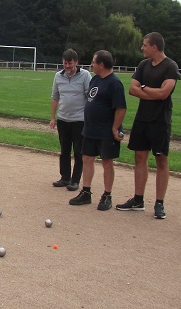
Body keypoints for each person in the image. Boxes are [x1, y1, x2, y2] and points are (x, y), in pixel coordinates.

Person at [116, 32, 180, 218]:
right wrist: (150, 91)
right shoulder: (144, 65)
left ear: (154, 47)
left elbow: (163, 94)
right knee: (139, 158)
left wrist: (144, 89)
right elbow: (132, 89)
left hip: (160, 120)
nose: (142, 48)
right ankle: (138, 199)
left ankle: (159, 203)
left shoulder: (170, 67)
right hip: (142, 118)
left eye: (145, 45)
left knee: (161, 160)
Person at [68, 50, 126, 211]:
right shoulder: (95, 79)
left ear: (101, 64)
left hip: (106, 130)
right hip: (91, 128)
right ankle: (86, 192)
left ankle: (107, 195)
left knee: (107, 162)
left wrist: (115, 128)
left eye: (94, 62)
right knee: (87, 158)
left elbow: (121, 108)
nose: (91, 64)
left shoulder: (114, 83)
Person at [49, 49, 91, 190]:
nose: (67, 66)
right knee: (64, 150)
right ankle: (65, 177)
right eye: (65, 63)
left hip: (79, 120)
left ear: (76, 62)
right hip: (63, 119)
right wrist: (52, 118)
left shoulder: (85, 76)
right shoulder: (58, 76)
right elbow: (55, 97)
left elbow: (90, 98)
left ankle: (75, 180)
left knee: (78, 151)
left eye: (70, 63)